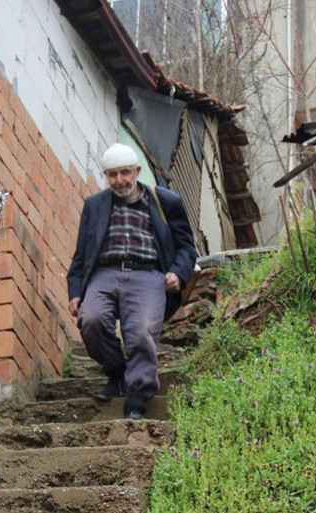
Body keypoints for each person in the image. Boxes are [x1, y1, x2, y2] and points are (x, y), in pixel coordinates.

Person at [66, 143, 197, 420]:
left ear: (137, 171)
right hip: (104, 273)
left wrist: (177, 273)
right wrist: (76, 291)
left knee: (140, 332)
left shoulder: (165, 202)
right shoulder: (95, 205)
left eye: (125, 173)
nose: (119, 181)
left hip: (148, 274)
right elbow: (81, 253)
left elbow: (187, 247)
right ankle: (117, 374)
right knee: (91, 320)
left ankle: (138, 396)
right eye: (112, 175)